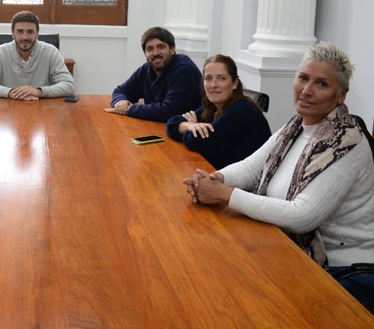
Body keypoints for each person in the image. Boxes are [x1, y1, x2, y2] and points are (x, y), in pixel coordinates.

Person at [182, 42, 374, 312]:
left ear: (341, 95)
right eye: (303, 78)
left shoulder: (346, 142)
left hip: (344, 272)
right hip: (290, 248)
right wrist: (214, 180)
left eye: (322, 84)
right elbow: (251, 167)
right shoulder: (296, 126)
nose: (307, 90)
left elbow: (303, 215)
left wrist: (227, 196)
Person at [166, 54, 271, 169]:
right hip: (222, 173)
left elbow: (197, 142)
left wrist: (193, 127)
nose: (213, 85)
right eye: (208, 78)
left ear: (235, 83)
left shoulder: (242, 109)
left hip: (246, 184)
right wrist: (189, 126)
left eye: (221, 78)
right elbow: (171, 124)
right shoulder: (213, 106)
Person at [106, 26, 202, 122]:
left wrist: (130, 109)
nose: (155, 53)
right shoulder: (147, 68)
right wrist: (121, 102)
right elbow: (121, 91)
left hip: (189, 131)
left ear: (172, 50)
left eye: (161, 47)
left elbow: (169, 111)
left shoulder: (184, 69)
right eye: (150, 49)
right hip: (160, 127)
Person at [0, 11, 75, 100]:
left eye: (30, 32)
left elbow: (69, 85)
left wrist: (39, 92)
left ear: (37, 33)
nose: (25, 37)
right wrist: (10, 92)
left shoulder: (51, 52)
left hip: (42, 111)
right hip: (7, 111)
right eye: (20, 31)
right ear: (13, 33)